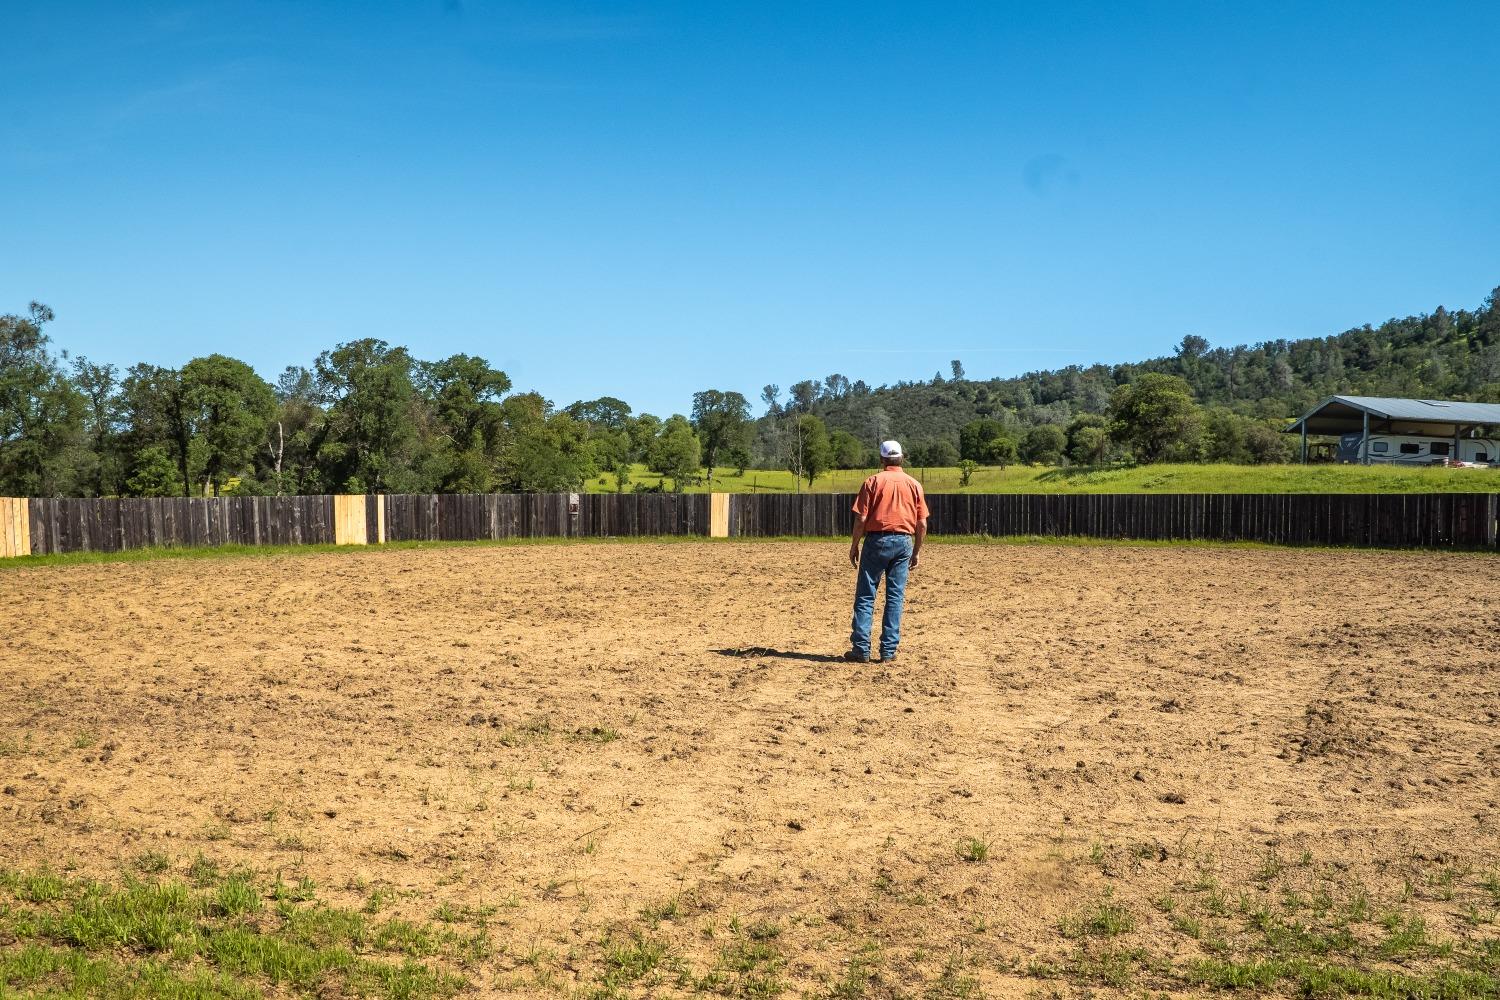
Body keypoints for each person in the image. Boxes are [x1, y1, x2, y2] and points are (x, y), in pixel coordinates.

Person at [845, 439, 929, 663]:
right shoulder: (914, 484)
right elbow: (921, 524)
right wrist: (917, 550)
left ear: (882, 459)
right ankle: (888, 651)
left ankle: (861, 649)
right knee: (895, 597)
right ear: (901, 458)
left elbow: (861, 518)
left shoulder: (872, 482)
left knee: (865, 596)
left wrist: (854, 545)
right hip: (903, 542)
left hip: (876, 541)